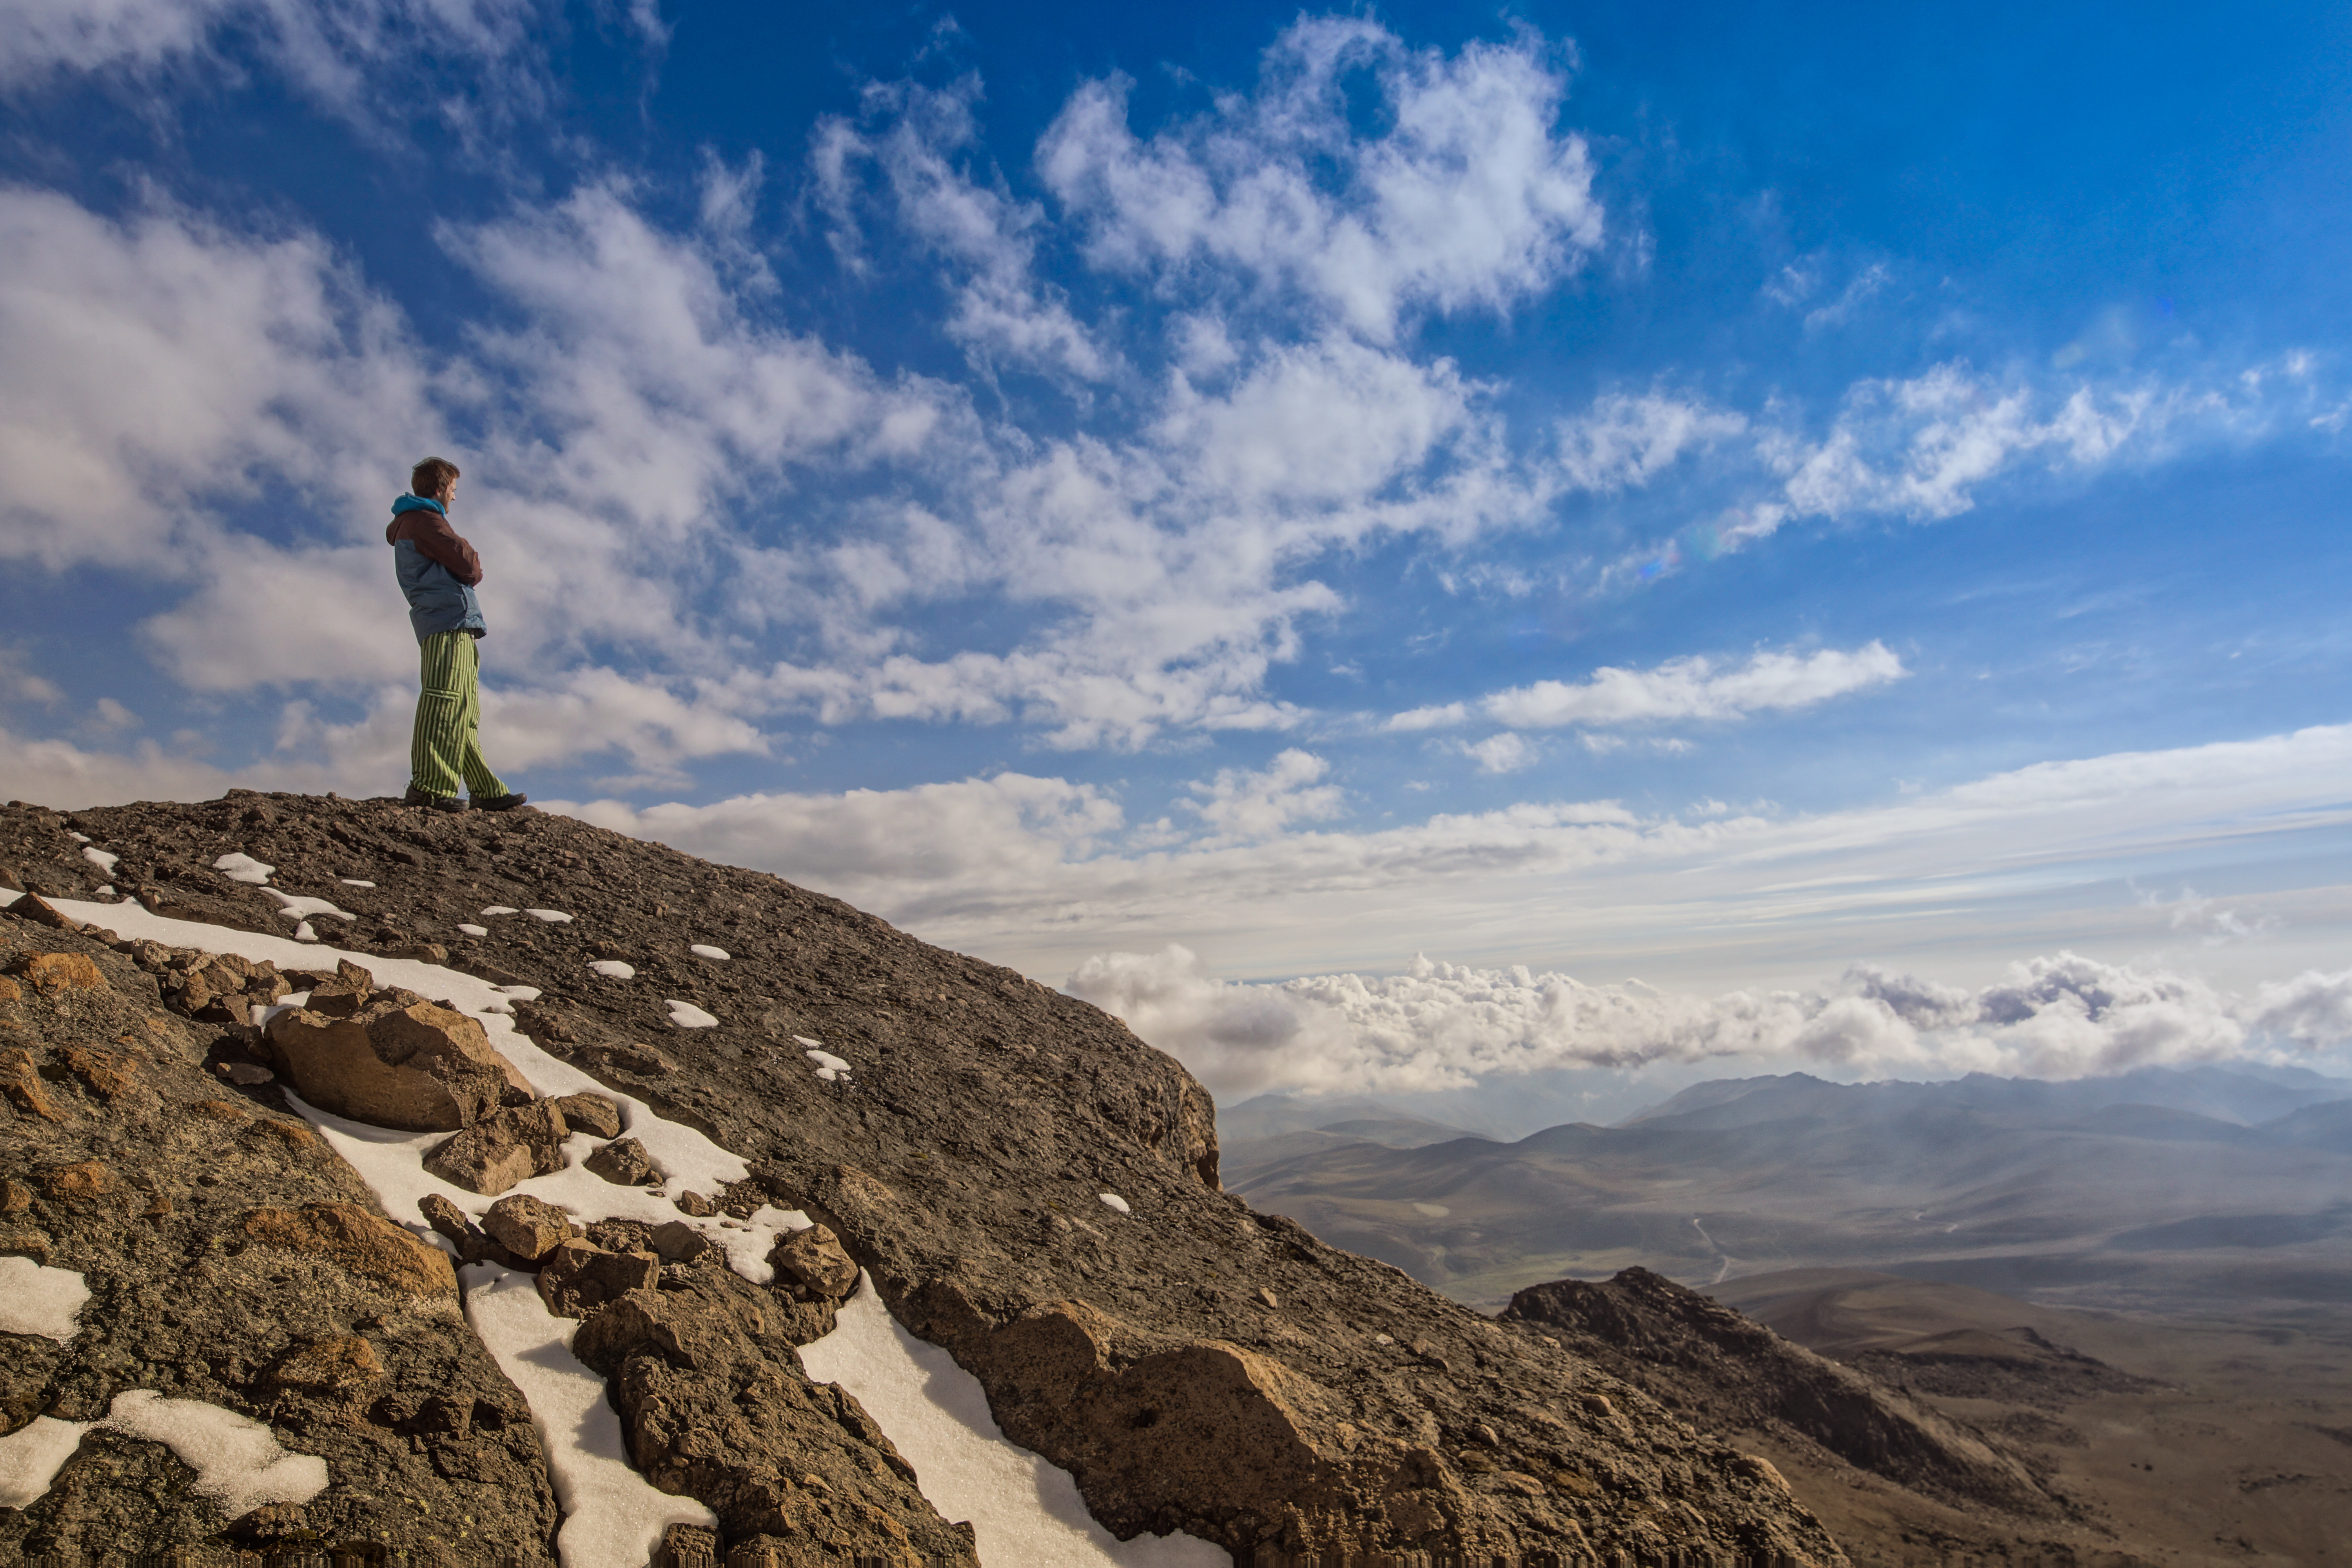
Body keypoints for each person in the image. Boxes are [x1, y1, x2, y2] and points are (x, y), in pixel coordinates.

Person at [387, 456, 526, 813]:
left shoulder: (421, 522)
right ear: (439, 490)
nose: (454, 497)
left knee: (463, 707)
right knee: (444, 701)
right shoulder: (425, 521)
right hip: (445, 622)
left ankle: (484, 787)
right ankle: (429, 788)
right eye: (453, 490)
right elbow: (469, 566)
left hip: (455, 623)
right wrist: (467, 550)